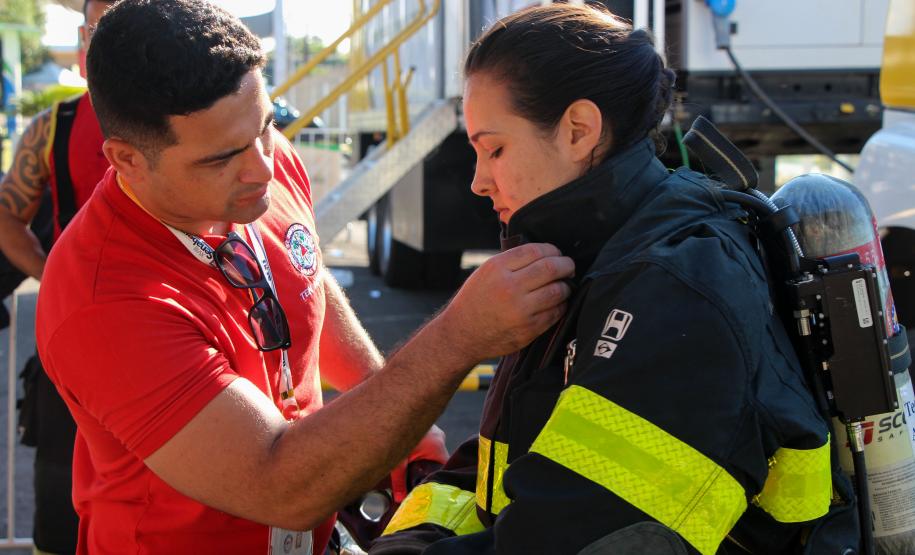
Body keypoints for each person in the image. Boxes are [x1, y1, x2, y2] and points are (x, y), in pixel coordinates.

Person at [33, 1, 574, 554]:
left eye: (265, 126)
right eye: (220, 158)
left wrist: (394, 423)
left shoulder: (261, 163)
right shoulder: (104, 301)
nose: (263, 167)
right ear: (126, 160)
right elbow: (276, 485)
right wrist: (458, 337)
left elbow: (304, 277)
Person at [371, 5, 859, 555]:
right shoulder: (589, 254)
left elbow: (578, 537)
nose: (479, 182)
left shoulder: (674, 289)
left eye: (495, 149)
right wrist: (414, 537)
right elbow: (506, 471)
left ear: (580, 130)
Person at [0, 2, 115, 552]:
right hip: (75, 339)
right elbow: (6, 215)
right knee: (61, 489)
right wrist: (53, 272)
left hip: (179, 338)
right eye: (100, 24)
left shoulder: (198, 118)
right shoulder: (55, 124)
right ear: (82, 42)